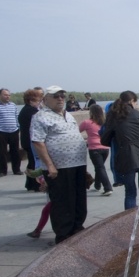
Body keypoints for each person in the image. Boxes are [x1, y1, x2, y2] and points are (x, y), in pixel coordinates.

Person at [30, 86, 88, 243]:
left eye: (62, 95)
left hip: (78, 164)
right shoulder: (40, 116)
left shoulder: (68, 115)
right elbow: (38, 142)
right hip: (59, 167)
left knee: (79, 198)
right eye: (56, 96)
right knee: (62, 201)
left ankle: (77, 228)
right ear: (46, 99)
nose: (60, 98)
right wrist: (50, 165)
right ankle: (64, 235)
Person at [101, 91, 139, 209]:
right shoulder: (138, 115)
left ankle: (129, 219)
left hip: (125, 157)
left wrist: (117, 140)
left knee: (130, 193)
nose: (136, 105)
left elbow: (104, 140)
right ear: (131, 101)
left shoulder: (113, 116)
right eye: (136, 102)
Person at [78, 104, 112, 197]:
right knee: (99, 167)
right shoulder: (105, 123)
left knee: (100, 167)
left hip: (94, 148)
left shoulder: (87, 122)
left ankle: (108, 188)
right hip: (105, 148)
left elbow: (76, 132)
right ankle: (97, 184)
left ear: (91, 113)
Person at [0, 88, 22, 178]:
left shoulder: (13, 105)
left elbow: (17, 116)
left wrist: (18, 127)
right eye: (5, 95)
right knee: (2, 152)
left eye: (9, 95)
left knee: (15, 151)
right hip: (1, 132)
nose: (7, 97)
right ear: (0, 95)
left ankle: (16, 170)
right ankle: (2, 171)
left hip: (14, 131)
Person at [18, 87, 44, 192]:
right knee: (35, 163)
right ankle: (36, 184)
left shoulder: (25, 110)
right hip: (31, 141)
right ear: (31, 101)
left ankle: (29, 184)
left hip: (26, 139)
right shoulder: (32, 111)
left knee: (31, 162)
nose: (39, 103)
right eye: (38, 101)